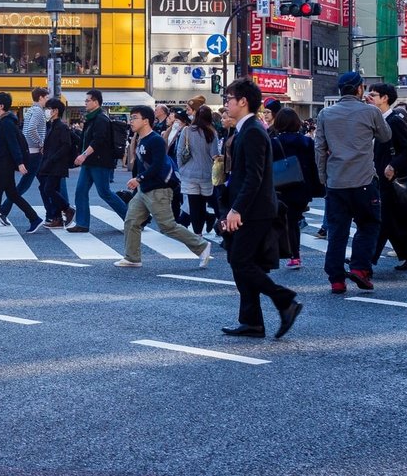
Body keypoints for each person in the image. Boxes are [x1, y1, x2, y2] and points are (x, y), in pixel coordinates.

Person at [219, 80, 302, 339]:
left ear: (243, 101)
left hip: (255, 210)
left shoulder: (253, 130)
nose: (226, 104)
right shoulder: (247, 129)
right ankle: (252, 322)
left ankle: (284, 299)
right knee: (243, 262)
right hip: (251, 207)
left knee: (240, 261)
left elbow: (254, 177)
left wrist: (236, 210)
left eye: (229, 98)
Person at [315, 72, 392, 294]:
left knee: (337, 231)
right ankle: (360, 268)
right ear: (359, 89)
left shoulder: (325, 114)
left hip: (336, 181)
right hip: (365, 180)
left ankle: (336, 280)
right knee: (369, 225)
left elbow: (319, 148)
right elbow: (386, 136)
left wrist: (323, 178)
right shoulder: (371, 111)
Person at [113, 106, 212, 269]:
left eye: (134, 117)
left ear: (145, 121)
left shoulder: (156, 140)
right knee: (131, 220)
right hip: (144, 189)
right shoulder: (141, 139)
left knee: (168, 226)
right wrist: (138, 180)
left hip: (158, 189)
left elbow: (157, 165)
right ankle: (132, 258)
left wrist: (139, 179)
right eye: (131, 118)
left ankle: (201, 246)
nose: (131, 121)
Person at [0, 92, 44, 234]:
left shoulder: (6, 123)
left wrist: (20, 163)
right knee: (12, 194)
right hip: (2, 162)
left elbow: (13, 145)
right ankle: (34, 218)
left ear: (1, 106)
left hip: (5, 164)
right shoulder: (4, 121)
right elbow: (0, 145)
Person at [68, 89, 128, 232]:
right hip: (90, 162)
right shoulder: (91, 118)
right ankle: (82, 224)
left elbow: (98, 141)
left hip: (100, 162)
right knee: (80, 191)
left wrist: (83, 155)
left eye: (87, 100)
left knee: (105, 192)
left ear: (96, 102)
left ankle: (132, 219)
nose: (85, 103)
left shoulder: (101, 118)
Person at [368, 83, 407, 271]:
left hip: (391, 178)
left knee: (381, 219)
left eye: (374, 94)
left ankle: (365, 260)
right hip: (379, 177)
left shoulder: (394, 120)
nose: (370, 97)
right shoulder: (376, 119)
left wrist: (392, 166)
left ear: (385, 98)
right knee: (392, 221)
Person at [272, 107, 323, 270]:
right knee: (293, 221)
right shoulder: (307, 141)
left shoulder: (275, 141)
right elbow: (314, 165)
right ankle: (295, 255)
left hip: (281, 186)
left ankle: (285, 252)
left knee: (283, 219)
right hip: (301, 186)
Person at [0, 87, 48, 225]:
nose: (47, 100)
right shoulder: (38, 111)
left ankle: (54, 211)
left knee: (44, 182)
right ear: (40, 98)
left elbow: (26, 130)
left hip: (29, 150)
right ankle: (3, 209)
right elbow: (32, 129)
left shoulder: (30, 110)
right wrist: (41, 142)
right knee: (24, 185)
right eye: (46, 97)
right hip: (35, 151)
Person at [176, 105, 221, 235]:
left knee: (194, 205)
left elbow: (179, 151)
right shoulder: (212, 133)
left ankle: (197, 234)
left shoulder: (187, 131)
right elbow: (214, 155)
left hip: (189, 173)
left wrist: (182, 168)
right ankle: (206, 225)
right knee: (204, 203)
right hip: (206, 173)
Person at [38, 98, 74, 228]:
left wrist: (52, 158)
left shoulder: (61, 127)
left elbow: (66, 145)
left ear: (55, 111)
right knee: (51, 189)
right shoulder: (52, 125)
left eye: (48, 109)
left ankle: (68, 209)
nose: (46, 111)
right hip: (49, 163)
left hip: (56, 164)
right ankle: (57, 218)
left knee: (49, 189)